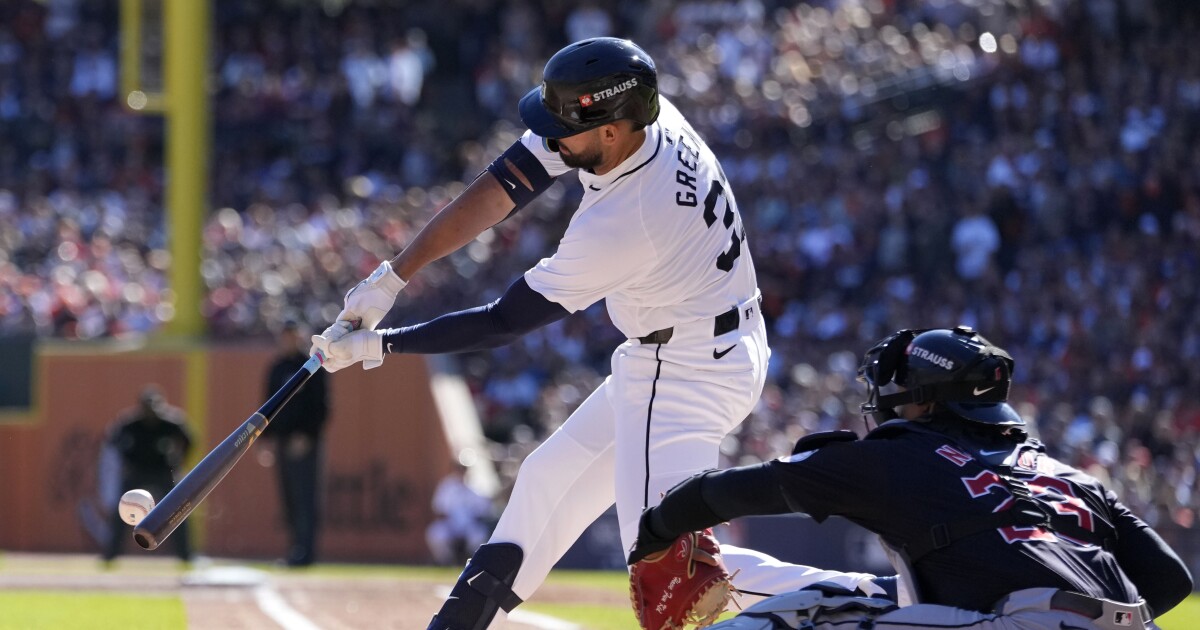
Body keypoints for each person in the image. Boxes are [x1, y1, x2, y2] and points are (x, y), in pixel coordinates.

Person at [310, 37, 879, 629]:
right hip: (684, 346)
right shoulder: (640, 119)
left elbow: (503, 323)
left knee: (668, 564)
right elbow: (507, 181)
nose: (552, 137)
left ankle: (871, 596)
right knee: (545, 479)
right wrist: (392, 276)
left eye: (566, 125)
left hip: (686, 368)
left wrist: (381, 345)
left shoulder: (628, 218)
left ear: (610, 130)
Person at [628, 326, 1193, 630]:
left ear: (923, 401)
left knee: (813, 609)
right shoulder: (1070, 476)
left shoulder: (902, 454)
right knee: (874, 594)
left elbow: (731, 491)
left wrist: (654, 531)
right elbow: (1170, 583)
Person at [263, 319, 330, 567]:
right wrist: (266, 439)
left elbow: (321, 405)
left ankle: (307, 552)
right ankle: (294, 549)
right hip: (282, 440)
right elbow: (267, 404)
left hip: (305, 442)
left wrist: (308, 436)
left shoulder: (311, 365)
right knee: (289, 499)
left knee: (306, 498)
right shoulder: (277, 367)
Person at [103, 385, 193, 564]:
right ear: (141, 407)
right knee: (122, 511)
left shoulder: (171, 422)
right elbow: (114, 441)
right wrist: (126, 461)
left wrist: (180, 461)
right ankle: (110, 555)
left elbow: (190, 439)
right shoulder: (130, 423)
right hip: (137, 472)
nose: (151, 413)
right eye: (147, 408)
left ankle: (186, 556)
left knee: (178, 509)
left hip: (163, 471)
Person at [426, 462, 493, 566]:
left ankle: (474, 563)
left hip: (469, 525)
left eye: (464, 468)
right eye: (459, 468)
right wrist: (452, 525)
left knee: (478, 535)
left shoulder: (476, 485)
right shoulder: (446, 486)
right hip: (450, 524)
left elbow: (483, 511)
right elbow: (439, 509)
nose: (461, 471)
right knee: (436, 533)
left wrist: (468, 524)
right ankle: (445, 563)